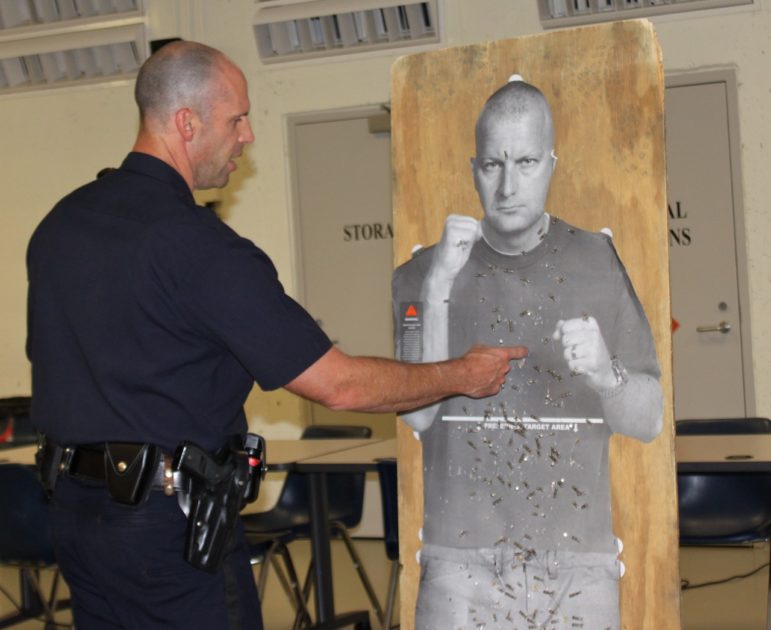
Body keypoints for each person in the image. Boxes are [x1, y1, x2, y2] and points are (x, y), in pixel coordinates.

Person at [25, 42, 526, 630]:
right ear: (186, 122)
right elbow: (337, 386)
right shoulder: (199, 246)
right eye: (236, 117)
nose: (247, 136)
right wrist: (461, 375)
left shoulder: (61, 225)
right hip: (166, 531)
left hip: (77, 517)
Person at [392, 77, 663, 629]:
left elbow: (650, 420)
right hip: (458, 561)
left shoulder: (598, 260)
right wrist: (441, 285)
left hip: (576, 564)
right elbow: (415, 414)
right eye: (494, 165)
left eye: (527, 162)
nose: (509, 185)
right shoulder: (424, 273)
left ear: (552, 165)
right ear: (474, 170)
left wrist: (605, 371)